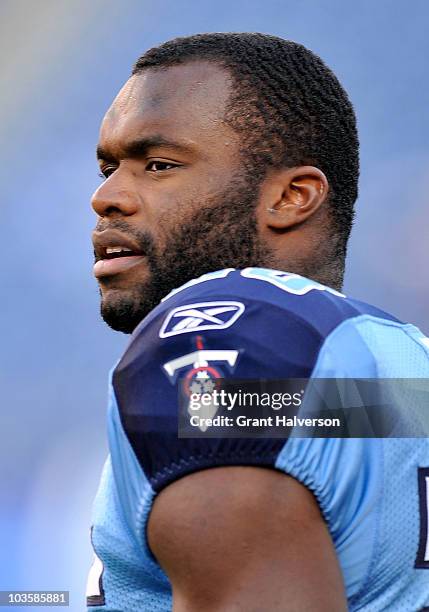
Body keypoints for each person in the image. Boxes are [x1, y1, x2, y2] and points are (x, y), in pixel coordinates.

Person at [86, 33, 429, 610]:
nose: (107, 197)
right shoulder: (397, 362)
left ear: (293, 196)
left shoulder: (219, 332)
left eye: (159, 164)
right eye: (108, 167)